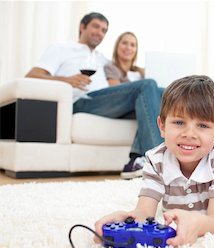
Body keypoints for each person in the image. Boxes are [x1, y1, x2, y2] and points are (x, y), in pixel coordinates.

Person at [94, 75, 214, 246]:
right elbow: (144, 212)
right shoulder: (155, 159)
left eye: (202, 126)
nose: (189, 134)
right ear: (162, 126)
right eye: (179, 122)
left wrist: (196, 223)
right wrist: (127, 219)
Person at [25, 12, 164, 179]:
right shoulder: (61, 48)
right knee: (148, 85)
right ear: (82, 27)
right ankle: (158, 163)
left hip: (106, 103)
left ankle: (134, 162)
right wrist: (66, 80)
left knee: (159, 95)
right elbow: (32, 75)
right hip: (83, 101)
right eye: (96, 27)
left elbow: (122, 76)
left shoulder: (102, 59)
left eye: (104, 30)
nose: (100, 33)